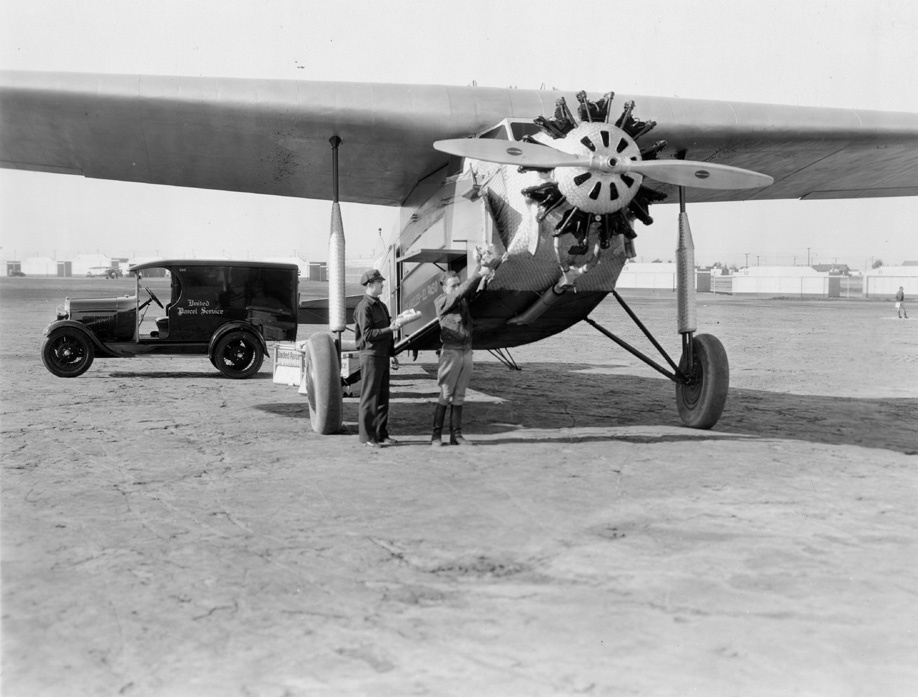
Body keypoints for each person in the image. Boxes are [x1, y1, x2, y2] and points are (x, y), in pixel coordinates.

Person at [430, 250, 500, 446]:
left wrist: (481, 267)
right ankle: (436, 436)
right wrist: (478, 273)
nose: (456, 288)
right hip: (451, 352)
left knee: (459, 394)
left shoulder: (461, 300)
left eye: (457, 284)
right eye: (452, 285)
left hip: (466, 351)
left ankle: (456, 435)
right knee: (446, 394)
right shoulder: (442, 302)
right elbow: (462, 291)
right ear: (444, 288)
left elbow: (469, 288)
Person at [354, 269, 402, 448]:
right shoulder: (364, 307)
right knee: (369, 398)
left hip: (381, 356)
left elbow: (386, 334)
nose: (382, 284)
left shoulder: (381, 306)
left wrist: (392, 354)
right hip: (370, 356)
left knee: (382, 397)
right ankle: (368, 436)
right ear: (370, 285)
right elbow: (367, 335)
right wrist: (390, 329)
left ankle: (381, 434)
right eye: (379, 282)